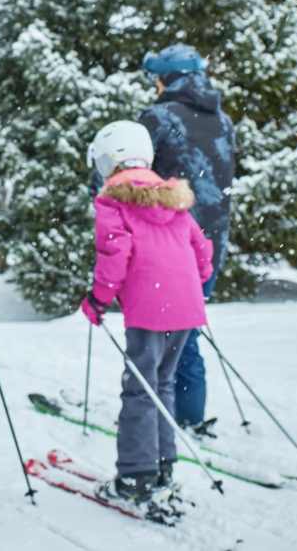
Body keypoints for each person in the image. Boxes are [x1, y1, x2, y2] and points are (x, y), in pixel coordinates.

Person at [80, 120, 214, 519]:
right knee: (162, 385)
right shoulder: (172, 198)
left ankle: (135, 478)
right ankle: (161, 468)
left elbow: (113, 259)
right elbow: (201, 252)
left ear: (107, 161)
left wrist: (98, 300)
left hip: (148, 308)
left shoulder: (112, 202)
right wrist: (189, 283)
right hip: (185, 307)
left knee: (140, 390)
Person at [138, 44, 236, 434]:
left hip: (169, 244)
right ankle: (187, 412)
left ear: (167, 77)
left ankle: (168, 418)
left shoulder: (158, 118)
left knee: (165, 339)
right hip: (212, 245)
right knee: (186, 330)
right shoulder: (223, 121)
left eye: (155, 78)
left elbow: (131, 173)